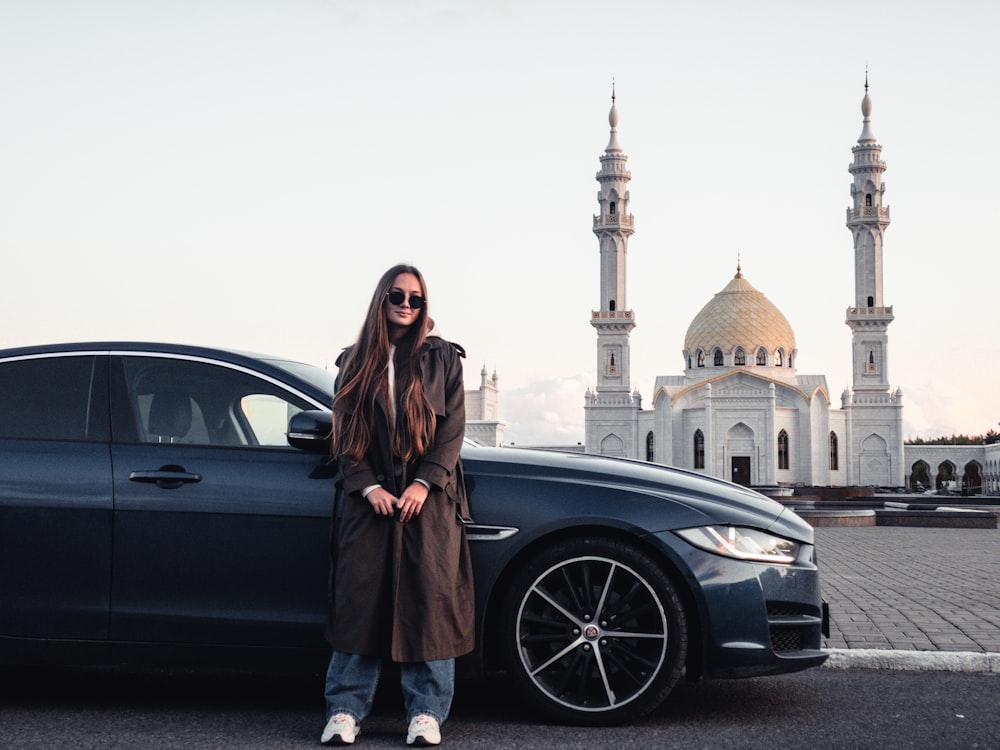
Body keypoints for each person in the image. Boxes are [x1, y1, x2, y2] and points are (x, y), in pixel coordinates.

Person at [321, 264, 474, 747]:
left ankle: (426, 713)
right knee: (360, 602)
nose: (406, 305)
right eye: (397, 295)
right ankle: (345, 710)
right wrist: (369, 488)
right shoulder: (355, 360)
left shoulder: (444, 359)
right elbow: (345, 436)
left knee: (430, 601)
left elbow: (451, 434)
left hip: (427, 503)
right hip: (370, 503)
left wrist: (424, 484)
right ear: (380, 299)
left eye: (416, 299)